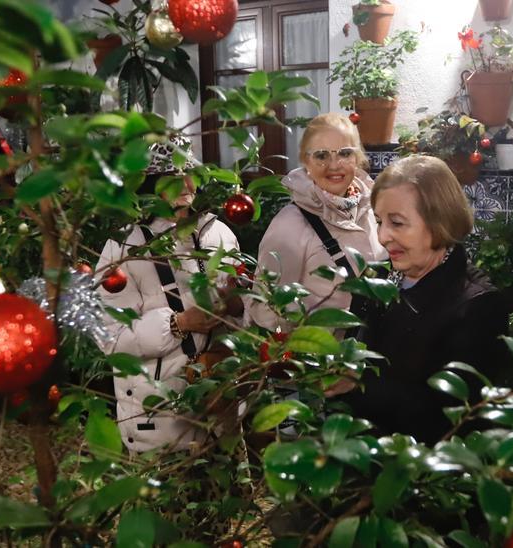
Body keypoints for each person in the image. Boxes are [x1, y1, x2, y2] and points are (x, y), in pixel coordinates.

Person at [339, 155, 510, 445]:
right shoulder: (375, 279)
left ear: (440, 221)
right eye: (379, 221)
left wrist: (360, 385)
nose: (382, 237)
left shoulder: (478, 305)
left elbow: (454, 418)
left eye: (397, 223)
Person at [96, 139, 242, 453]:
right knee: (167, 501)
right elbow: (110, 338)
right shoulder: (123, 248)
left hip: (219, 406)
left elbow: (242, 311)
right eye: (171, 176)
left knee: (231, 496)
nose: (185, 183)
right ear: (150, 184)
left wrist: (236, 305)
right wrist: (179, 323)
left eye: (189, 171)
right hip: (159, 415)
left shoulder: (220, 235)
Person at [246, 113, 386, 333]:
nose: (334, 165)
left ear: (357, 158)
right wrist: (324, 326)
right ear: (305, 161)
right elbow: (264, 309)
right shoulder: (289, 226)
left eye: (345, 153)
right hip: (324, 363)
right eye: (321, 155)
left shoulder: (371, 209)